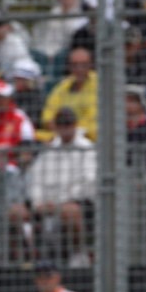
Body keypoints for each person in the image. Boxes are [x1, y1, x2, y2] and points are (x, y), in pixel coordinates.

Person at [22, 106, 98, 265]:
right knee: (16, 213)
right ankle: (27, 260)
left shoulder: (87, 149)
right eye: (61, 125)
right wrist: (38, 202)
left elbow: (88, 183)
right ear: (55, 126)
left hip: (77, 203)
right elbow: (35, 180)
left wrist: (58, 203)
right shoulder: (48, 151)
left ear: (75, 125)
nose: (65, 129)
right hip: (45, 204)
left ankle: (78, 254)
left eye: (68, 124)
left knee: (70, 211)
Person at [32, 0, 87, 82]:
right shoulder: (55, 12)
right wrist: (48, 53)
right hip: (51, 52)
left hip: (69, 51)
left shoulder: (81, 13)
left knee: (60, 57)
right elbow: (49, 37)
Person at [38, 47, 99, 141]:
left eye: (84, 64)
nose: (79, 69)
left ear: (91, 65)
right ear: (69, 66)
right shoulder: (63, 85)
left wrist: (68, 129)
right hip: (60, 136)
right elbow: (47, 117)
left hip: (87, 140)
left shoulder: (98, 84)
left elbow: (92, 124)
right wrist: (63, 130)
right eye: (75, 65)